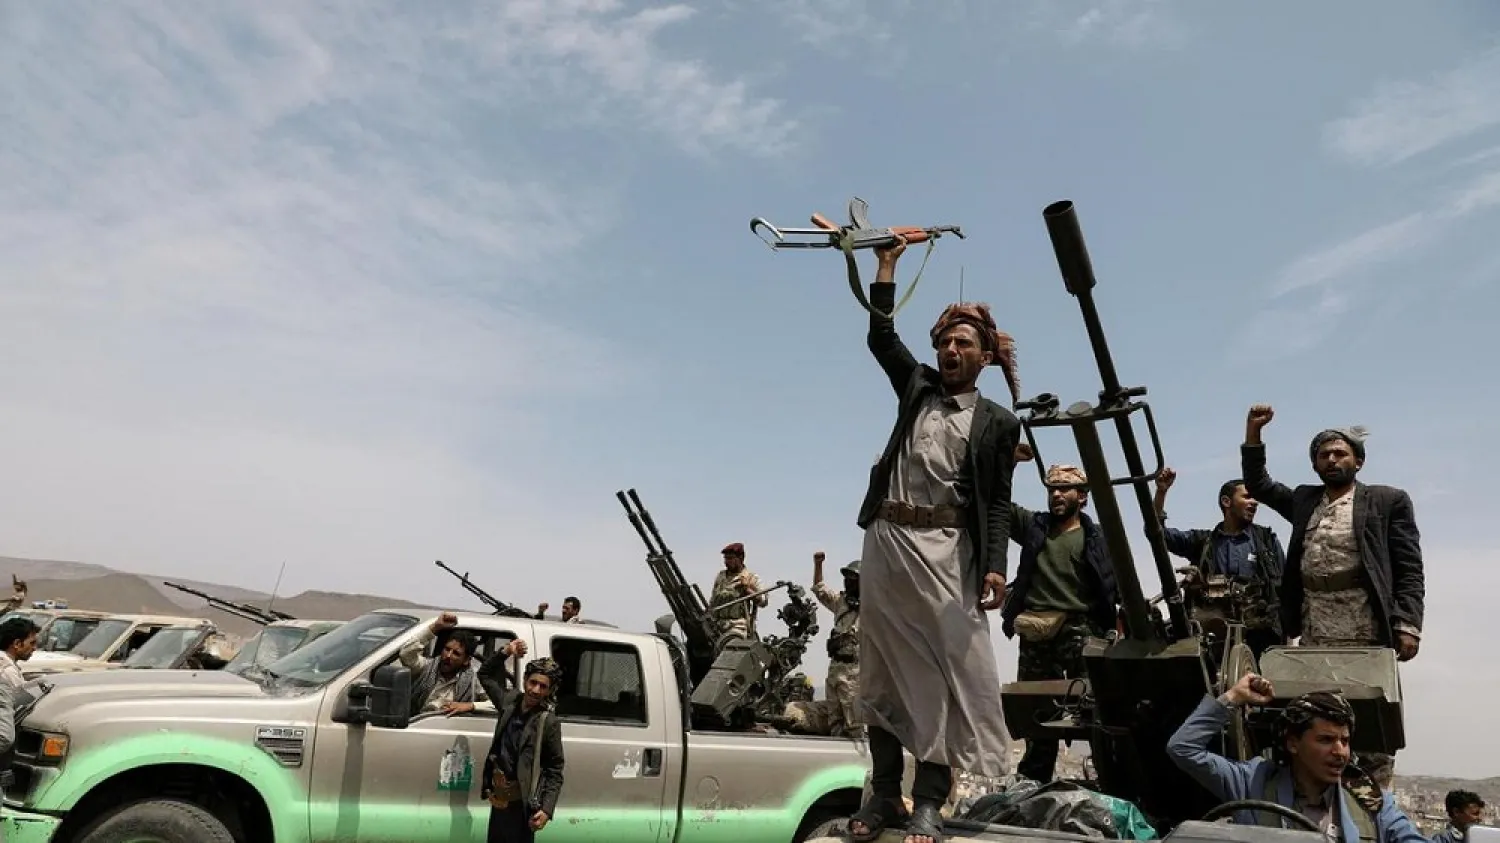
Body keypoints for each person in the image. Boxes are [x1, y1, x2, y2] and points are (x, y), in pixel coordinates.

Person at [847, 237, 1021, 843]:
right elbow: (880, 339)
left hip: (947, 554)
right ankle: (885, 796)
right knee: (881, 674)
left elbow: (996, 501)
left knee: (943, 677)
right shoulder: (917, 386)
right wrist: (887, 266)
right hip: (888, 542)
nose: (950, 350)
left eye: (962, 344)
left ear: (984, 357)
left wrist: (995, 566)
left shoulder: (999, 422)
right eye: (945, 342)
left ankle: (929, 799)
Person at [1242, 406, 1424, 788]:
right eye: (1323, 455)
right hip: (1315, 630)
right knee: (1315, 718)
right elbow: (1259, 484)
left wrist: (1408, 624)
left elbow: (1408, 568)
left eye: (1340, 453)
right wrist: (1254, 433)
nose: (1331, 459)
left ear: (1358, 460)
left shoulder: (1386, 501)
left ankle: (1372, 810)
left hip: (1365, 630)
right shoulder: (1306, 501)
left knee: (1369, 727)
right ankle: (1313, 803)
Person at [1167, 672, 1425, 843]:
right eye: (1325, 740)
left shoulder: (1370, 801)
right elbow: (1183, 748)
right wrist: (1233, 697)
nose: (1340, 752)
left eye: (1344, 741)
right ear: (1293, 743)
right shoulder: (1252, 782)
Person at [1000, 462, 1119, 783]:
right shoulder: (1035, 527)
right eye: (1052, 489)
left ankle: (1107, 780)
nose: (1056, 494)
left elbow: (1112, 583)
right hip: (1036, 629)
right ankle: (1032, 784)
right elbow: (1002, 505)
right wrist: (1008, 463)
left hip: (1079, 628)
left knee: (1093, 711)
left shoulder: (1095, 537)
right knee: (1035, 715)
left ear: (1083, 497)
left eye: (1065, 488)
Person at [1152, 467, 1288, 658]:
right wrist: (1161, 492)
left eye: (1255, 498)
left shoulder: (1266, 540)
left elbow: (1286, 584)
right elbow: (1158, 534)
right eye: (1247, 497)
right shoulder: (1203, 542)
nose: (1254, 502)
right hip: (1213, 640)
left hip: (1262, 640)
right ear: (1227, 502)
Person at [480, 656, 566, 843]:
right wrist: (506, 651)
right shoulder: (509, 701)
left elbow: (554, 770)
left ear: (550, 690)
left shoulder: (548, 722)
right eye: (533, 682)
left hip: (522, 806)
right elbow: (484, 675)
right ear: (525, 680)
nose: (535, 690)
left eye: (543, 686)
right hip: (499, 800)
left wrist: (546, 810)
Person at [778, 551, 862, 737]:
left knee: (853, 721)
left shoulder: (872, 608)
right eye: (846, 578)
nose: (848, 582)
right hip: (836, 668)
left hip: (856, 670)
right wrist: (818, 564)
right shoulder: (842, 603)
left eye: (853, 579)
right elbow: (819, 588)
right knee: (834, 718)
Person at [399, 612, 514, 716]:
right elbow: (406, 653)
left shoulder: (473, 681)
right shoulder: (425, 668)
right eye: (447, 649)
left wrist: (469, 706)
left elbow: (499, 704)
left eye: (456, 653)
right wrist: (435, 627)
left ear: (466, 660)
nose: (448, 656)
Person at [710, 543, 767, 643]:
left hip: (737, 626)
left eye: (730, 558)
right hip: (717, 625)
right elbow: (712, 602)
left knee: (730, 647)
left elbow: (763, 601)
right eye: (725, 558)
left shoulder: (750, 577)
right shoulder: (721, 576)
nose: (726, 562)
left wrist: (746, 589)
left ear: (741, 558)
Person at [0, 617, 39, 690]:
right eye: (32, 643)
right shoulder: (8, 670)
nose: (34, 648)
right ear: (17, 644)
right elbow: (23, 699)